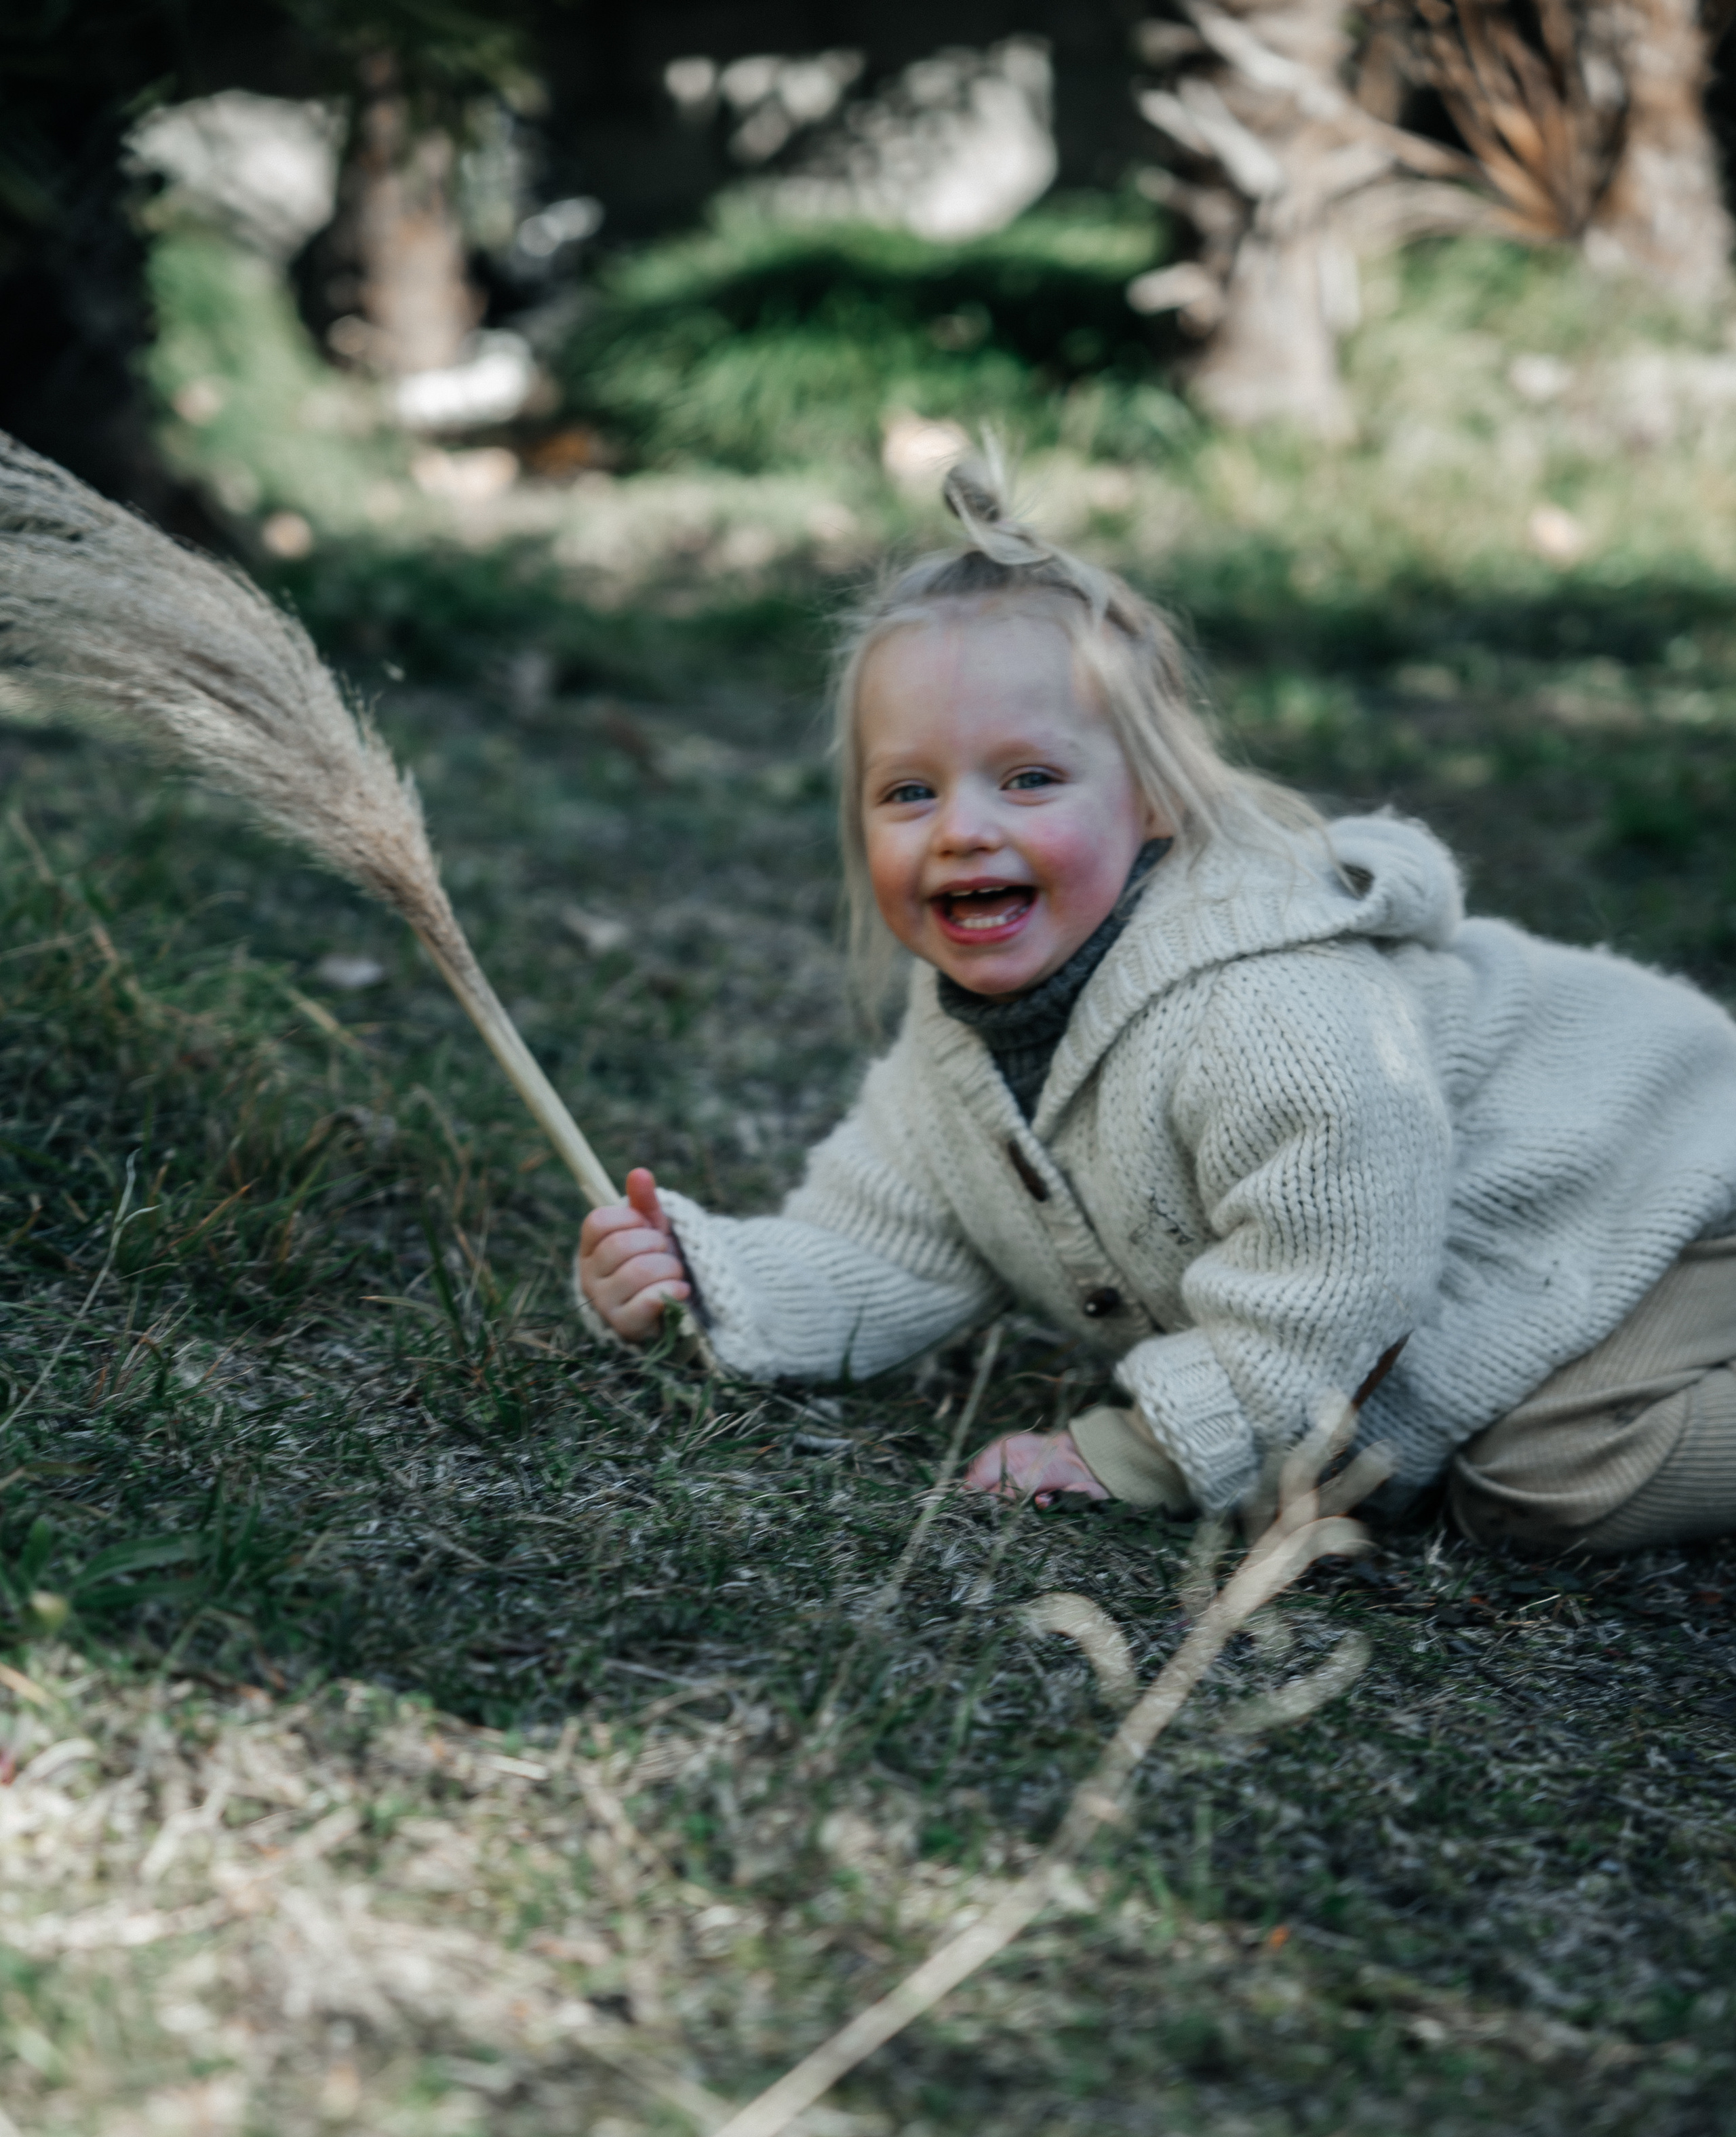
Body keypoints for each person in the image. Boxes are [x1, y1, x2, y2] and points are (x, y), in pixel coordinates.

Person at [577, 454, 1736, 1554]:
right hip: (1568, 1243)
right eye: (909, 791)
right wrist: (707, 1282)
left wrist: (1144, 1451)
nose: (962, 827)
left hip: (1678, 1185)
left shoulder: (1268, 1008)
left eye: (1029, 778)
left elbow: (1339, 1274)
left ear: (1157, 802)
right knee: (1488, 1462)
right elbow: (880, 1247)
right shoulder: (962, 1052)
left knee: (1544, 1479)